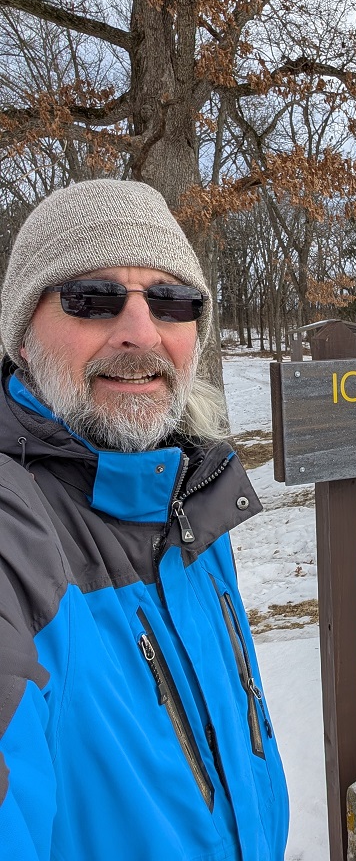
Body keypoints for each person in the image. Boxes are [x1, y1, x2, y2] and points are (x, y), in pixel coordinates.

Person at [0, 180, 288, 860]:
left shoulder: (191, 494)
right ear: (21, 337)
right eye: (91, 299)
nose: (141, 331)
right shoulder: (18, 539)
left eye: (173, 301)